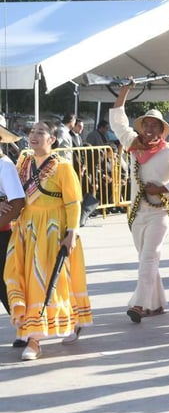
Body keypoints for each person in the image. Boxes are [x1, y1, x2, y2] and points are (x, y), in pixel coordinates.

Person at [3, 121, 92, 360]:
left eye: (40, 132)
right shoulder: (23, 162)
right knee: (19, 275)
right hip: (25, 228)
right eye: (31, 131)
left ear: (52, 139)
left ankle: (34, 339)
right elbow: (15, 193)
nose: (33, 135)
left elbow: (74, 202)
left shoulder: (62, 167)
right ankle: (66, 320)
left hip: (52, 229)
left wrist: (72, 232)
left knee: (44, 281)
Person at [110, 83, 169, 323]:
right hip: (136, 214)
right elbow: (118, 121)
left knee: (149, 257)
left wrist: (163, 189)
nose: (148, 129)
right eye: (145, 124)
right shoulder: (132, 145)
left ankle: (139, 304)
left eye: (153, 126)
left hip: (159, 214)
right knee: (147, 259)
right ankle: (156, 304)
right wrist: (124, 92)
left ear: (161, 130)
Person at [0, 124, 26, 328]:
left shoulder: (4, 165)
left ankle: (25, 327)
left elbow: (17, 203)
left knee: (6, 284)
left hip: (1, 234)